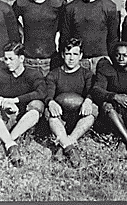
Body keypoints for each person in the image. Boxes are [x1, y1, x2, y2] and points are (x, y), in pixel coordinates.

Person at [0, 42, 47, 167]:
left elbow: (41, 92)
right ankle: (11, 145)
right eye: (5, 59)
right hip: (6, 115)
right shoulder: (0, 74)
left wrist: (16, 100)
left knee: (37, 105)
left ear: (21, 58)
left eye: (11, 59)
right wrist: (2, 101)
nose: (7, 62)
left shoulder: (33, 74)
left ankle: (5, 143)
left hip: (25, 117)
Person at [44, 38, 98, 168]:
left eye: (75, 54)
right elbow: (48, 93)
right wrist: (51, 102)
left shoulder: (87, 74)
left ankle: (66, 144)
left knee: (94, 109)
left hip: (78, 113)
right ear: (63, 55)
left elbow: (93, 91)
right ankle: (70, 149)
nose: (71, 58)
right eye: (68, 54)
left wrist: (88, 100)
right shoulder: (54, 74)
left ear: (81, 56)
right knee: (48, 112)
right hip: (60, 114)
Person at [60, 0, 120, 74]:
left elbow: (113, 37)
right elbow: (65, 37)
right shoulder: (71, 8)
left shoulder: (108, 6)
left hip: (101, 60)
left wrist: (112, 60)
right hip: (79, 61)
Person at [12, 0, 66, 77]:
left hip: (50, 60)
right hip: (28, 60)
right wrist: (20, 33)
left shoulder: (57, 4)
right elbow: (11, 20)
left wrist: (56, 35)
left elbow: (65, 25)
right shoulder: (22, 3)